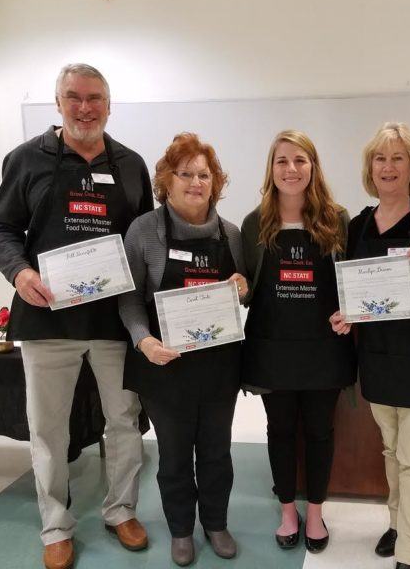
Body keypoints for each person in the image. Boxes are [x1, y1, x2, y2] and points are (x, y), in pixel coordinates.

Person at [0, 64, 152, 569]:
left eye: (95, 98)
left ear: (109, 103)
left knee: (123, 422)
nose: (85, 108)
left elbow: (146, 238)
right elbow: (2, 229)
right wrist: (19, 275)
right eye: (74, 98)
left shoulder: (131, 163)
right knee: (48, 429)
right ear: (58, 103)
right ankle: (56, 525)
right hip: (46, 318)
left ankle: (120, 509)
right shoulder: (25, 160)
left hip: (113, 321)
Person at [331, 122, 410, 569]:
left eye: (398, 158)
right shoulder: (358, 224)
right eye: (380, 158)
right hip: (378, 358)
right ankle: (395, 522)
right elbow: (353, 292)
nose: (388, 167)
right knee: (390, 450)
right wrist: (344, 314)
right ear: (371, 168)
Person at [119, 132, 247, 566]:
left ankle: (215, 522)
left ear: (215, 182)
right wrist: (143, 339)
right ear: (167, 182)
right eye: (186, 173)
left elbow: (241, 293)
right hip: (164, 367)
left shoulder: (230, 234)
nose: (196, 182)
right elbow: (130, 296)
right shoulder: (144, 231)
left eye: (204, 174)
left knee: (216, 451)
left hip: (217, 368)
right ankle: (180, 530)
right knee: (173, 455)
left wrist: (242, 288)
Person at [241, 130, 356, 553]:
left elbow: (350, 284)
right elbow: (249, 289)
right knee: (281, 431)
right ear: (271, 170)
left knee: (321, 432)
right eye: (281, 161)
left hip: (324, 349)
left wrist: (353, 312)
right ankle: (288, 508)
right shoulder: (256, 223)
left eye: (299, 160)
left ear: (313, 167)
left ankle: (316, 512)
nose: (291, 169)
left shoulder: (337, 219)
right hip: (273, 348)